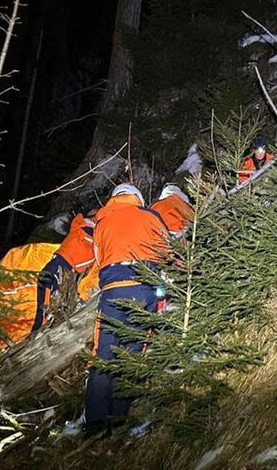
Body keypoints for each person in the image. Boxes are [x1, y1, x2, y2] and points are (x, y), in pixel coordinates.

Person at [84, 183, 175, 435]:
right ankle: (120, 415)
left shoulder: (101, 223)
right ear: (137, 198)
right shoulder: (150, 216)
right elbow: (166, 251)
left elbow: (99, 259)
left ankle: (96, 422)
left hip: (114, 289)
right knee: (135, 350)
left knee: (104, 352)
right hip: (144, 290)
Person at [31, 209, 98, 333]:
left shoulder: (86, 232)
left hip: (65, 273)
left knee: (50, 312)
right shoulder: (84, 229)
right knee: (47, 311)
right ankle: (38, 334)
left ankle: (41, 332)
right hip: (59, 270)